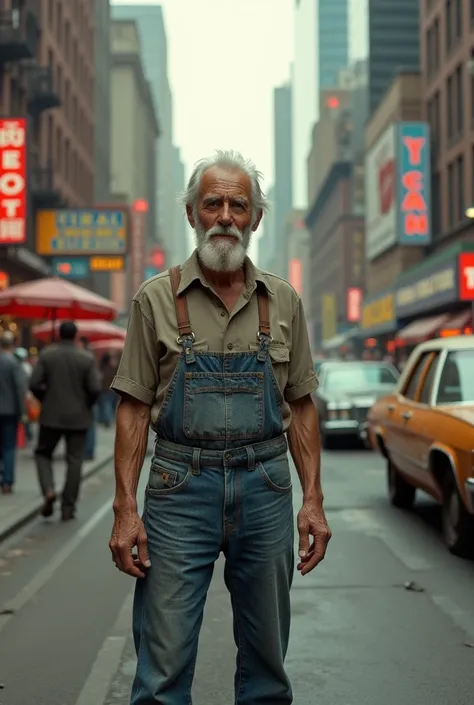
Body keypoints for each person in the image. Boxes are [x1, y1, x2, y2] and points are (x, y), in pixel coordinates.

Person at [109, 150, 331, 705]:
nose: (226, 216)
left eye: (239, 204)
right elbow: (133, 408)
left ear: (256, 219)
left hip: (266, 488)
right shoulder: (154, 299)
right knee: (161, 672)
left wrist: (313, 501)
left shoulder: (284, 300)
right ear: (192, 214)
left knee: (266, 671)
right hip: (179, 489)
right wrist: (125, 510)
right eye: (213, 204)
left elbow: (302, 405)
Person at [30, 321, 101, 520]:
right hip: (78, 417)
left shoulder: (47, 355)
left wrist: (46, 399)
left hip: (51, 415)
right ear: (76, 335)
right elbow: (95, 389)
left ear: (59, 334)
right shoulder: (86, 358)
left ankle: (49, 490)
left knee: (43, 454)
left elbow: (34, 383)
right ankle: (68, 506)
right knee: (74, 460)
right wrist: (86, 405)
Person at [0, 334, 26, 493]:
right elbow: (19, 390)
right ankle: (7, 481)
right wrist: (22, 412)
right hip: (9, 411)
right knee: (9, 446)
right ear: (12, 346)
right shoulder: (14, 363)